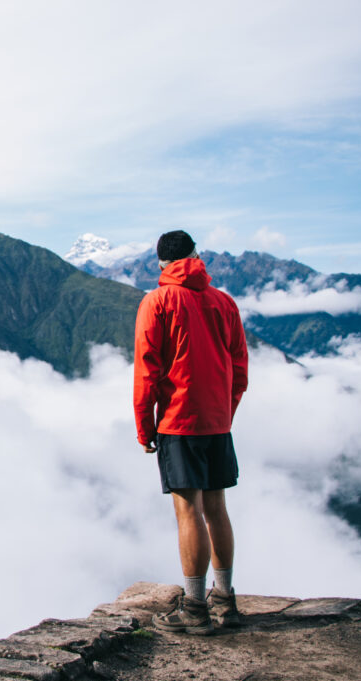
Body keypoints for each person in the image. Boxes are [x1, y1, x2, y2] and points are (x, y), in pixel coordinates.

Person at [133, 230, 248, 635]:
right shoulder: (224, 302)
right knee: (217, 508)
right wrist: (225, 412)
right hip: (217, 421)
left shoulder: (157, 302)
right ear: (196, 256)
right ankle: (225, 601)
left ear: (160, 263)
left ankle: (195, 608)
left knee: (189, 512)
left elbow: (147, 370)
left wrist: (145, 427)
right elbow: (239, 368)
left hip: (179, 421)